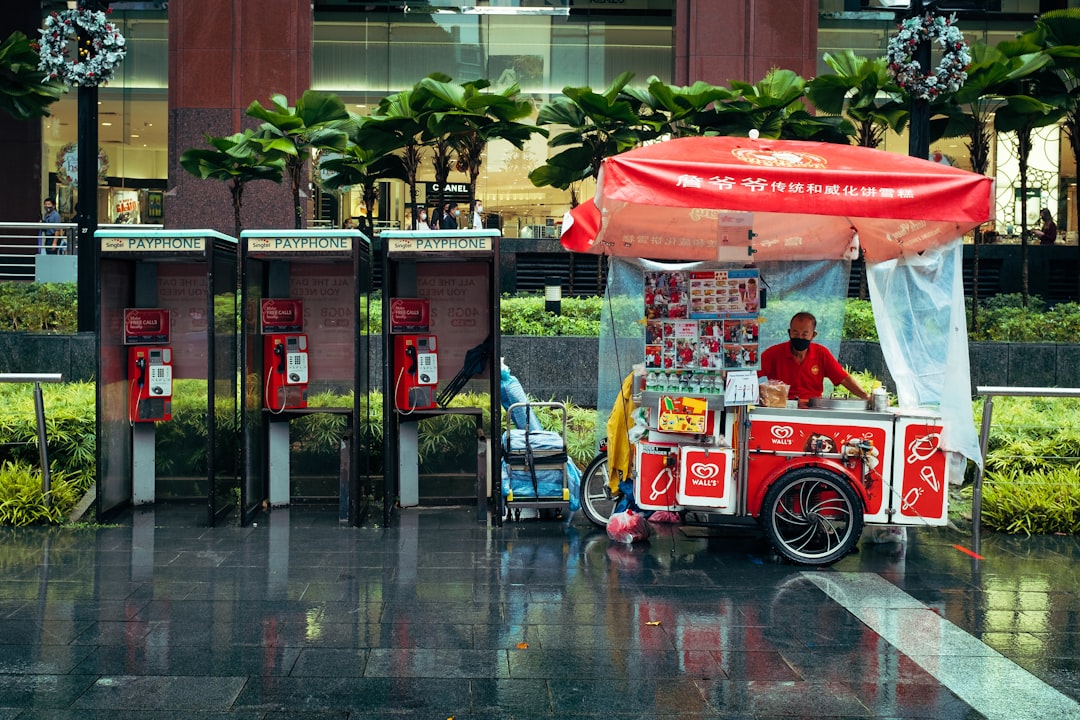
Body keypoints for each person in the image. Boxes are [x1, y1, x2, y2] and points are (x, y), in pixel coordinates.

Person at [758, 311, 868, 402]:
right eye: (795, 333)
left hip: (813, 407)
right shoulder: (773, 353)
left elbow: (843, 378)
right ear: (789, 332)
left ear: (813, 335)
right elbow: (751, 374)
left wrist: (865, 397)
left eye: (805, 334)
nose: (800, 337)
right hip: (780, 407)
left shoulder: (821, 353)